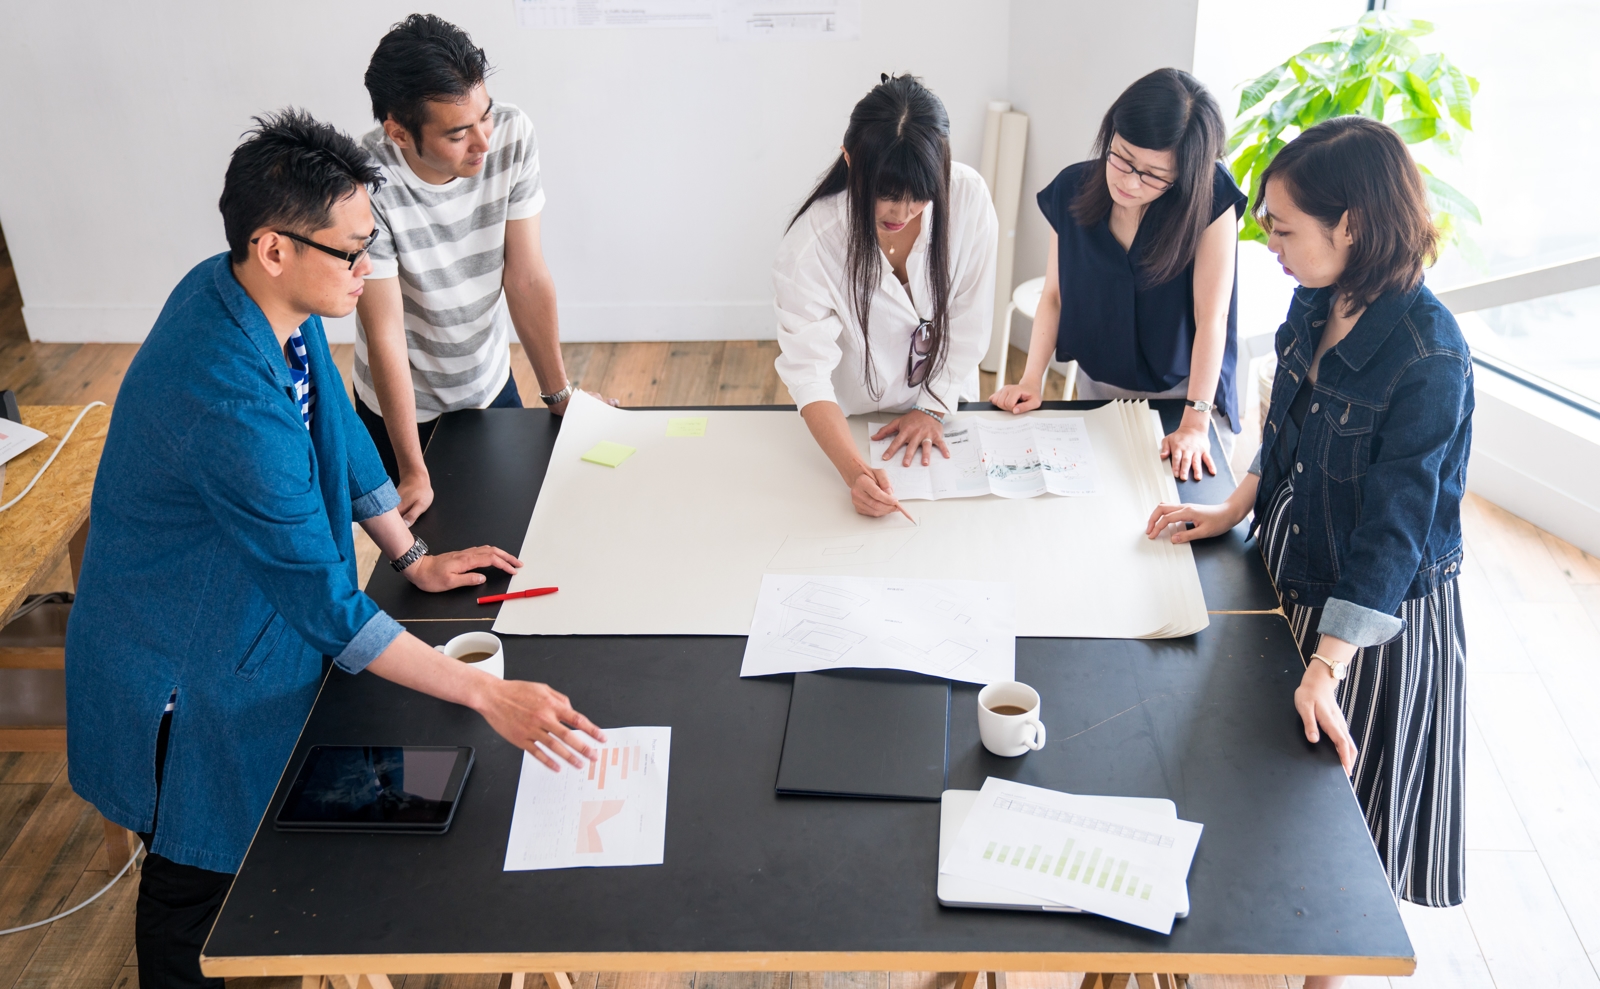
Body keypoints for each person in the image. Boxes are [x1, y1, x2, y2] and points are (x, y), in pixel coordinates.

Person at [64, 111, 604, 989]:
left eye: (369, 243)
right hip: (180, 668)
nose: (368, 269)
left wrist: (410, 551)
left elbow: (339, 436)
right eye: (350, 252)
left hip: (243, 615)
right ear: (274, 247)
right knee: (198, 879)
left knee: (294, 815)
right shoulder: (224, 396)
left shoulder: (257, 293)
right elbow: (324, 603)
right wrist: (484, 691)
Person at [1146, 117, 1472, 987]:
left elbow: (1394, 535)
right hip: (1292, 561)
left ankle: (1321, 973)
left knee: (1346, 819)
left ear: (1353, 226)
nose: (1270, 245)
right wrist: (1234, 506)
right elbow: (1287, 421)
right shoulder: (1317, 298)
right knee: (1274, 784)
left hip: (1372, 622)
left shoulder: (1431, 355)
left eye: (1285, 227)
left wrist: (1327, 664)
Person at [355, 14, 612, 524]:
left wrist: (560, 396)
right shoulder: (364, 183)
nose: (483, 143)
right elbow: (384, 332)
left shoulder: (511, 134)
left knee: (513, 524)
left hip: (487, 382)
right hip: (401, 407)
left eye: (485, 116)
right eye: (458, 134)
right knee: (434, 551)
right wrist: (412, 466)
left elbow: (526, 277)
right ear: (399, 132)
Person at [991, 68, 1245, 479]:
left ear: (1185, 173)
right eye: (1122, 156)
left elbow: (1211, 318)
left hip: (1186, 391)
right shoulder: (1073, 189)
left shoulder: (1211, 197)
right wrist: (1031, 378)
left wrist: (1196, 422)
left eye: (1152, 174)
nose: (1128, 181)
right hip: (1102, 386)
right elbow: (1054, 296)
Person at [773, 73, 998, 517]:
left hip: (947, 405)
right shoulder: (811, 245)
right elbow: (808, 373)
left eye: (920, 196)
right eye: (886, 195)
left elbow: (971, 318)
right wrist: (854, 471)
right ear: (850, 161)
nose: (902, 212)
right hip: (857, 422)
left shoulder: (967, 196)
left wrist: (932, 410)